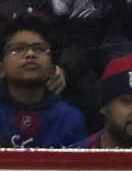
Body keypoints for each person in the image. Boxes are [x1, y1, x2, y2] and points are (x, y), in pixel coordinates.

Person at [0, 15, 86, 147]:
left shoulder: (69, 118)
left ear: (52, 69)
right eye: (18, 49)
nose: (30, 54)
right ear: (1, 69)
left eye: (40, 49)